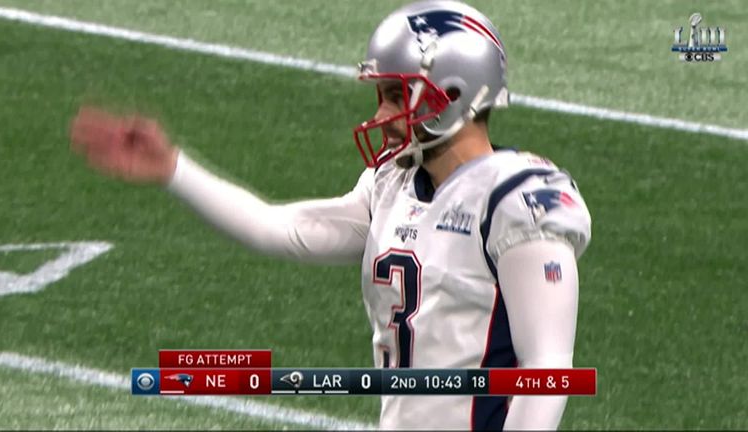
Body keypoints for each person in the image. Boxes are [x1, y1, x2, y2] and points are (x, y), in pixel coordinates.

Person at [70, 0, 591, 429]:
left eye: (396, 95)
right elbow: (281, 229)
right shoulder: (393, 184)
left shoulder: (519, 200)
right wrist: (173, 169)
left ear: (451, 96)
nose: (382, 115)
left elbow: (548, 367)